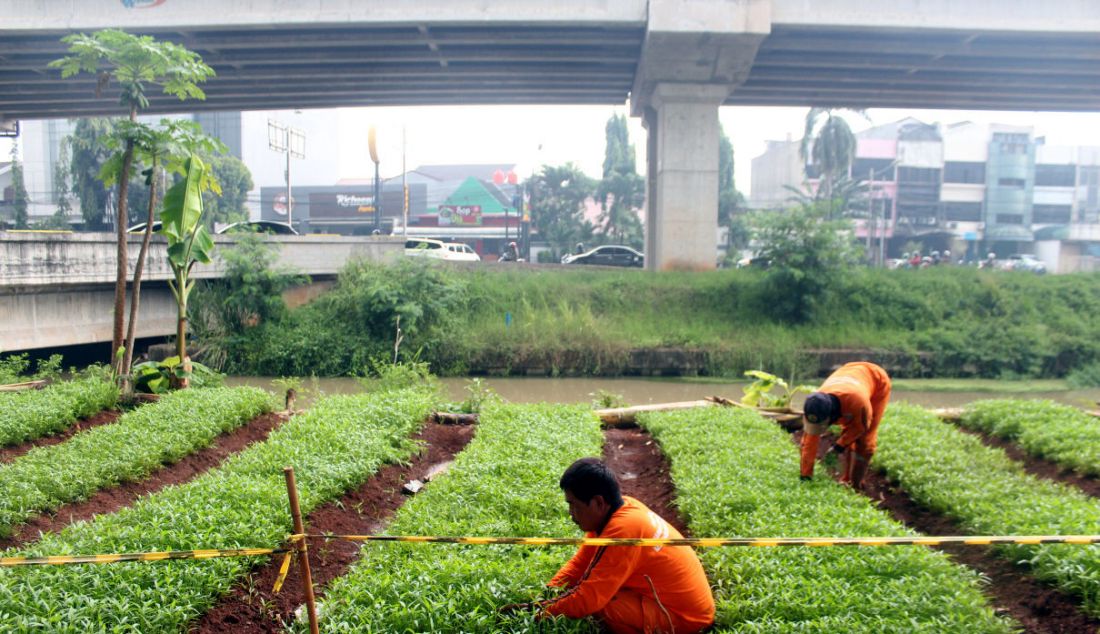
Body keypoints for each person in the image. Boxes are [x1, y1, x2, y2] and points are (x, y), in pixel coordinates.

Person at [502, 458, 715, 633]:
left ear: (598, 503)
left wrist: (540, 614)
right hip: (683, 606)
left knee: (602, 605)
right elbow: (580, 563)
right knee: (594, 590)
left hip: (685, 618)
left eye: (573, 505)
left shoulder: (624, 530)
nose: (571, 514)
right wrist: (545, 596)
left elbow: (589, 598)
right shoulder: (623, 508)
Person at [799, 362, 892, 490]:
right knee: (847, 436)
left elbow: (859, 429)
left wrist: (838, 447)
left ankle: (856, 486)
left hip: (876, 380)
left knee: (864, 442)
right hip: (849, 373)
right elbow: (809, 443)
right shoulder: (815, 404)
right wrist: (806, 476)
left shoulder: (859, 404)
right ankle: (846, 478)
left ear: (832, 416)